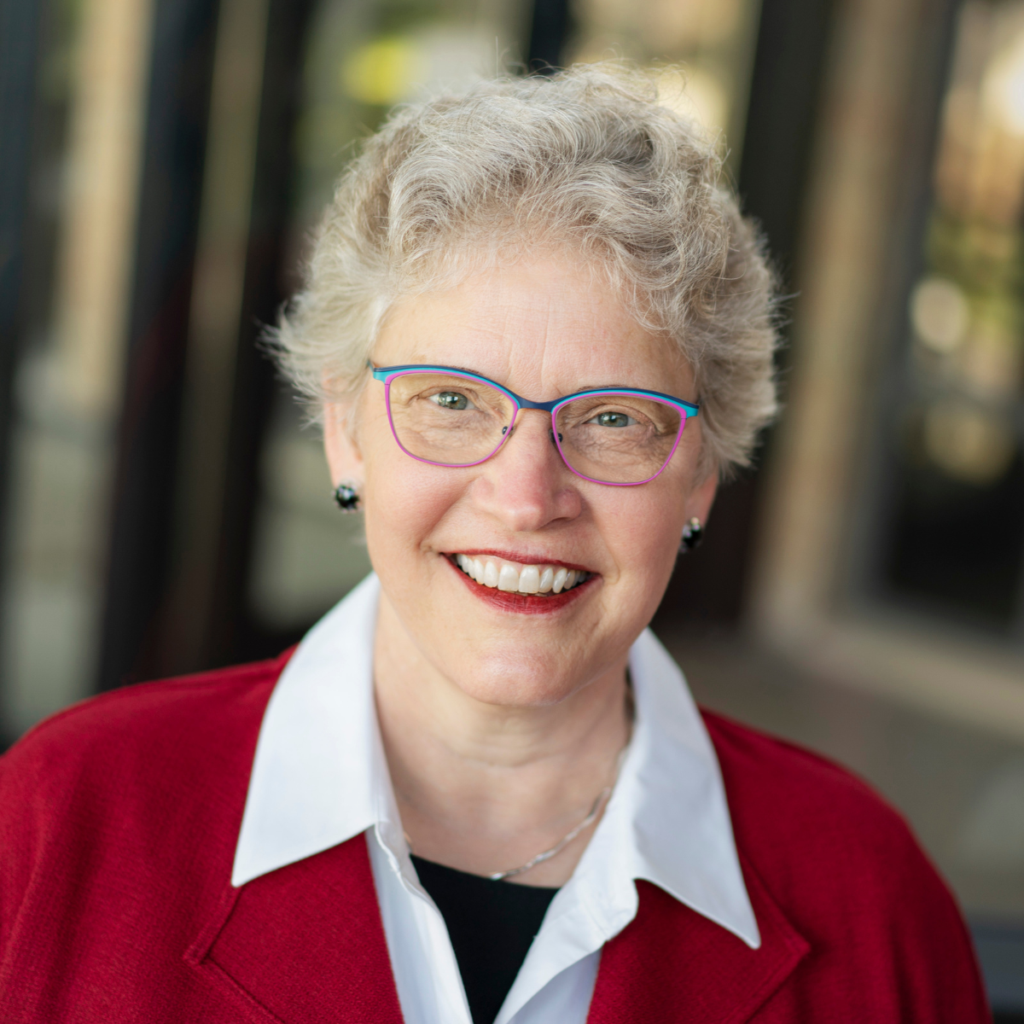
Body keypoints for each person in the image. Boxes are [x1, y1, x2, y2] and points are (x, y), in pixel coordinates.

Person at [0, 65, 988, 1024]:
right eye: (450, 401)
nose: (525, 498)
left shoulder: (870, 900)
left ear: (701, 476)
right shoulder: (60, 824)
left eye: (612, 419)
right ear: (344, 428)